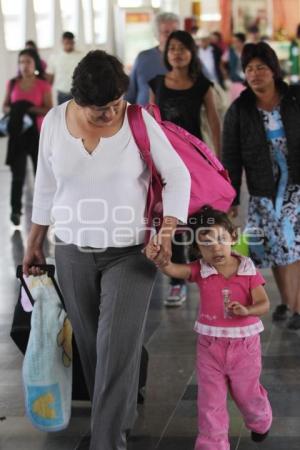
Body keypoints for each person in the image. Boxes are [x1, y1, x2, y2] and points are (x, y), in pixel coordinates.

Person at [22, 50, 191, 450]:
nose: (110, 114)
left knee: (114, 346)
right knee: (91, 344)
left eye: (116, 104)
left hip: (131, 254)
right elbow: (46, 186)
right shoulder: (54, 124)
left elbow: (178, 177)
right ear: (78, 100)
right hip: (71, 250)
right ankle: (121, 410)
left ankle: (107, 440)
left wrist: (165, 234)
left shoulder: (138, 120)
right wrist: (34, 241)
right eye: (100, 109)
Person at [145, 205, 272, 450]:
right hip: (209, 348)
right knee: (210, 401)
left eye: (220, 239)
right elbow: (174, 269)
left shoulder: (247, 270)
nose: (215, 248)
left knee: (247, 395)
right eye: (206, 243)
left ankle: (260, 420)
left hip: (244, 348)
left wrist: (247, 311)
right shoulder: (201, 269)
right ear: (197, 248)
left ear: (233, 237)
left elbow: (264, 303)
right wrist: (160, 259)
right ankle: (212, 444)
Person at [222, 42, 300, 329]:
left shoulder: (294, 98)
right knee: (279, 247)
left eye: (261, 68)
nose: (255, 74)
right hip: (263, 188)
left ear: (274, 71)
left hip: (296, 185)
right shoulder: (239, 110)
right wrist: (231, 199)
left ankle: (295, 305)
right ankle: (287, 302)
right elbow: (229, 156)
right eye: (249, 69)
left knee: (290, 244)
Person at [148, 30, 221, 306]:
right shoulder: (157, 83)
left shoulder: (202, 85)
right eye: (172, 49)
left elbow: (214, 123)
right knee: (172, 218)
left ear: (192, 53)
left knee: (198, 217)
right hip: (166, 160)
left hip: (196, 161)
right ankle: (177, 281)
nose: (177, 53)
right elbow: (149, 120)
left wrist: (218, 160)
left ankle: (203, 272)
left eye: (182, 48)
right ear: (166, 54)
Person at [2, 48, 52, 226]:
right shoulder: (13, 83)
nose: (24, 65)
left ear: (35, 64)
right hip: (17, 134)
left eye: (28, 62)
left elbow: (48, 108)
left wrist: (25, 108)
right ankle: (15, 210)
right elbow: (5, 106)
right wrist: (18, 109)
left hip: (35, 134)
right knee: (18, 173)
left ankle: (44, 211)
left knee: (41, 172)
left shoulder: (42, 85)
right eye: (21, 62)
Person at [125, 12, 179, 105]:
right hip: (141, 117)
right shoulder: (143, 58)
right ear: (156, 35)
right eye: (166, 32)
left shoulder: (187, 59)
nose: (171, 36)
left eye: (175, 32)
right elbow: (130, 93)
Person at [47, 31, 83, 104]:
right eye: (66, 42)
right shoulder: (54, 57)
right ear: (62, 42)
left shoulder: (81, 56)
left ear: (73, 42)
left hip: (78, 93)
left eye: (71, 42)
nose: (69, 45)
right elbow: (50, 76)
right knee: (63, 114)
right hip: (62, 93)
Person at [222, 32, 246, 102]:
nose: (234, 44)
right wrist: (226, 78)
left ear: (242, 42)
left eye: (236, 41)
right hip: (234, 82)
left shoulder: (248, 51)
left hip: (247, 83)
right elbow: (221, 64)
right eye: (233, 42)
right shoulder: (230, 52)